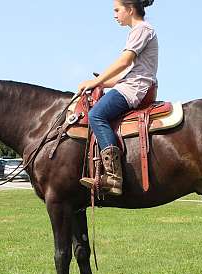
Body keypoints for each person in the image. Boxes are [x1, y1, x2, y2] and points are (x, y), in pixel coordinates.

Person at [78, 0, 158, 196]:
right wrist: (101, 83)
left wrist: (96, 82)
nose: (114, 15)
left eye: (117, 10)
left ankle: (114, 176)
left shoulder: (141, 29)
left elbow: (124, 62)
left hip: (135, 88)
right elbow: (128, 72)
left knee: (97, 114)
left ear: (130, 9)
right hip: (132, 84)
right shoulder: (139, 31)